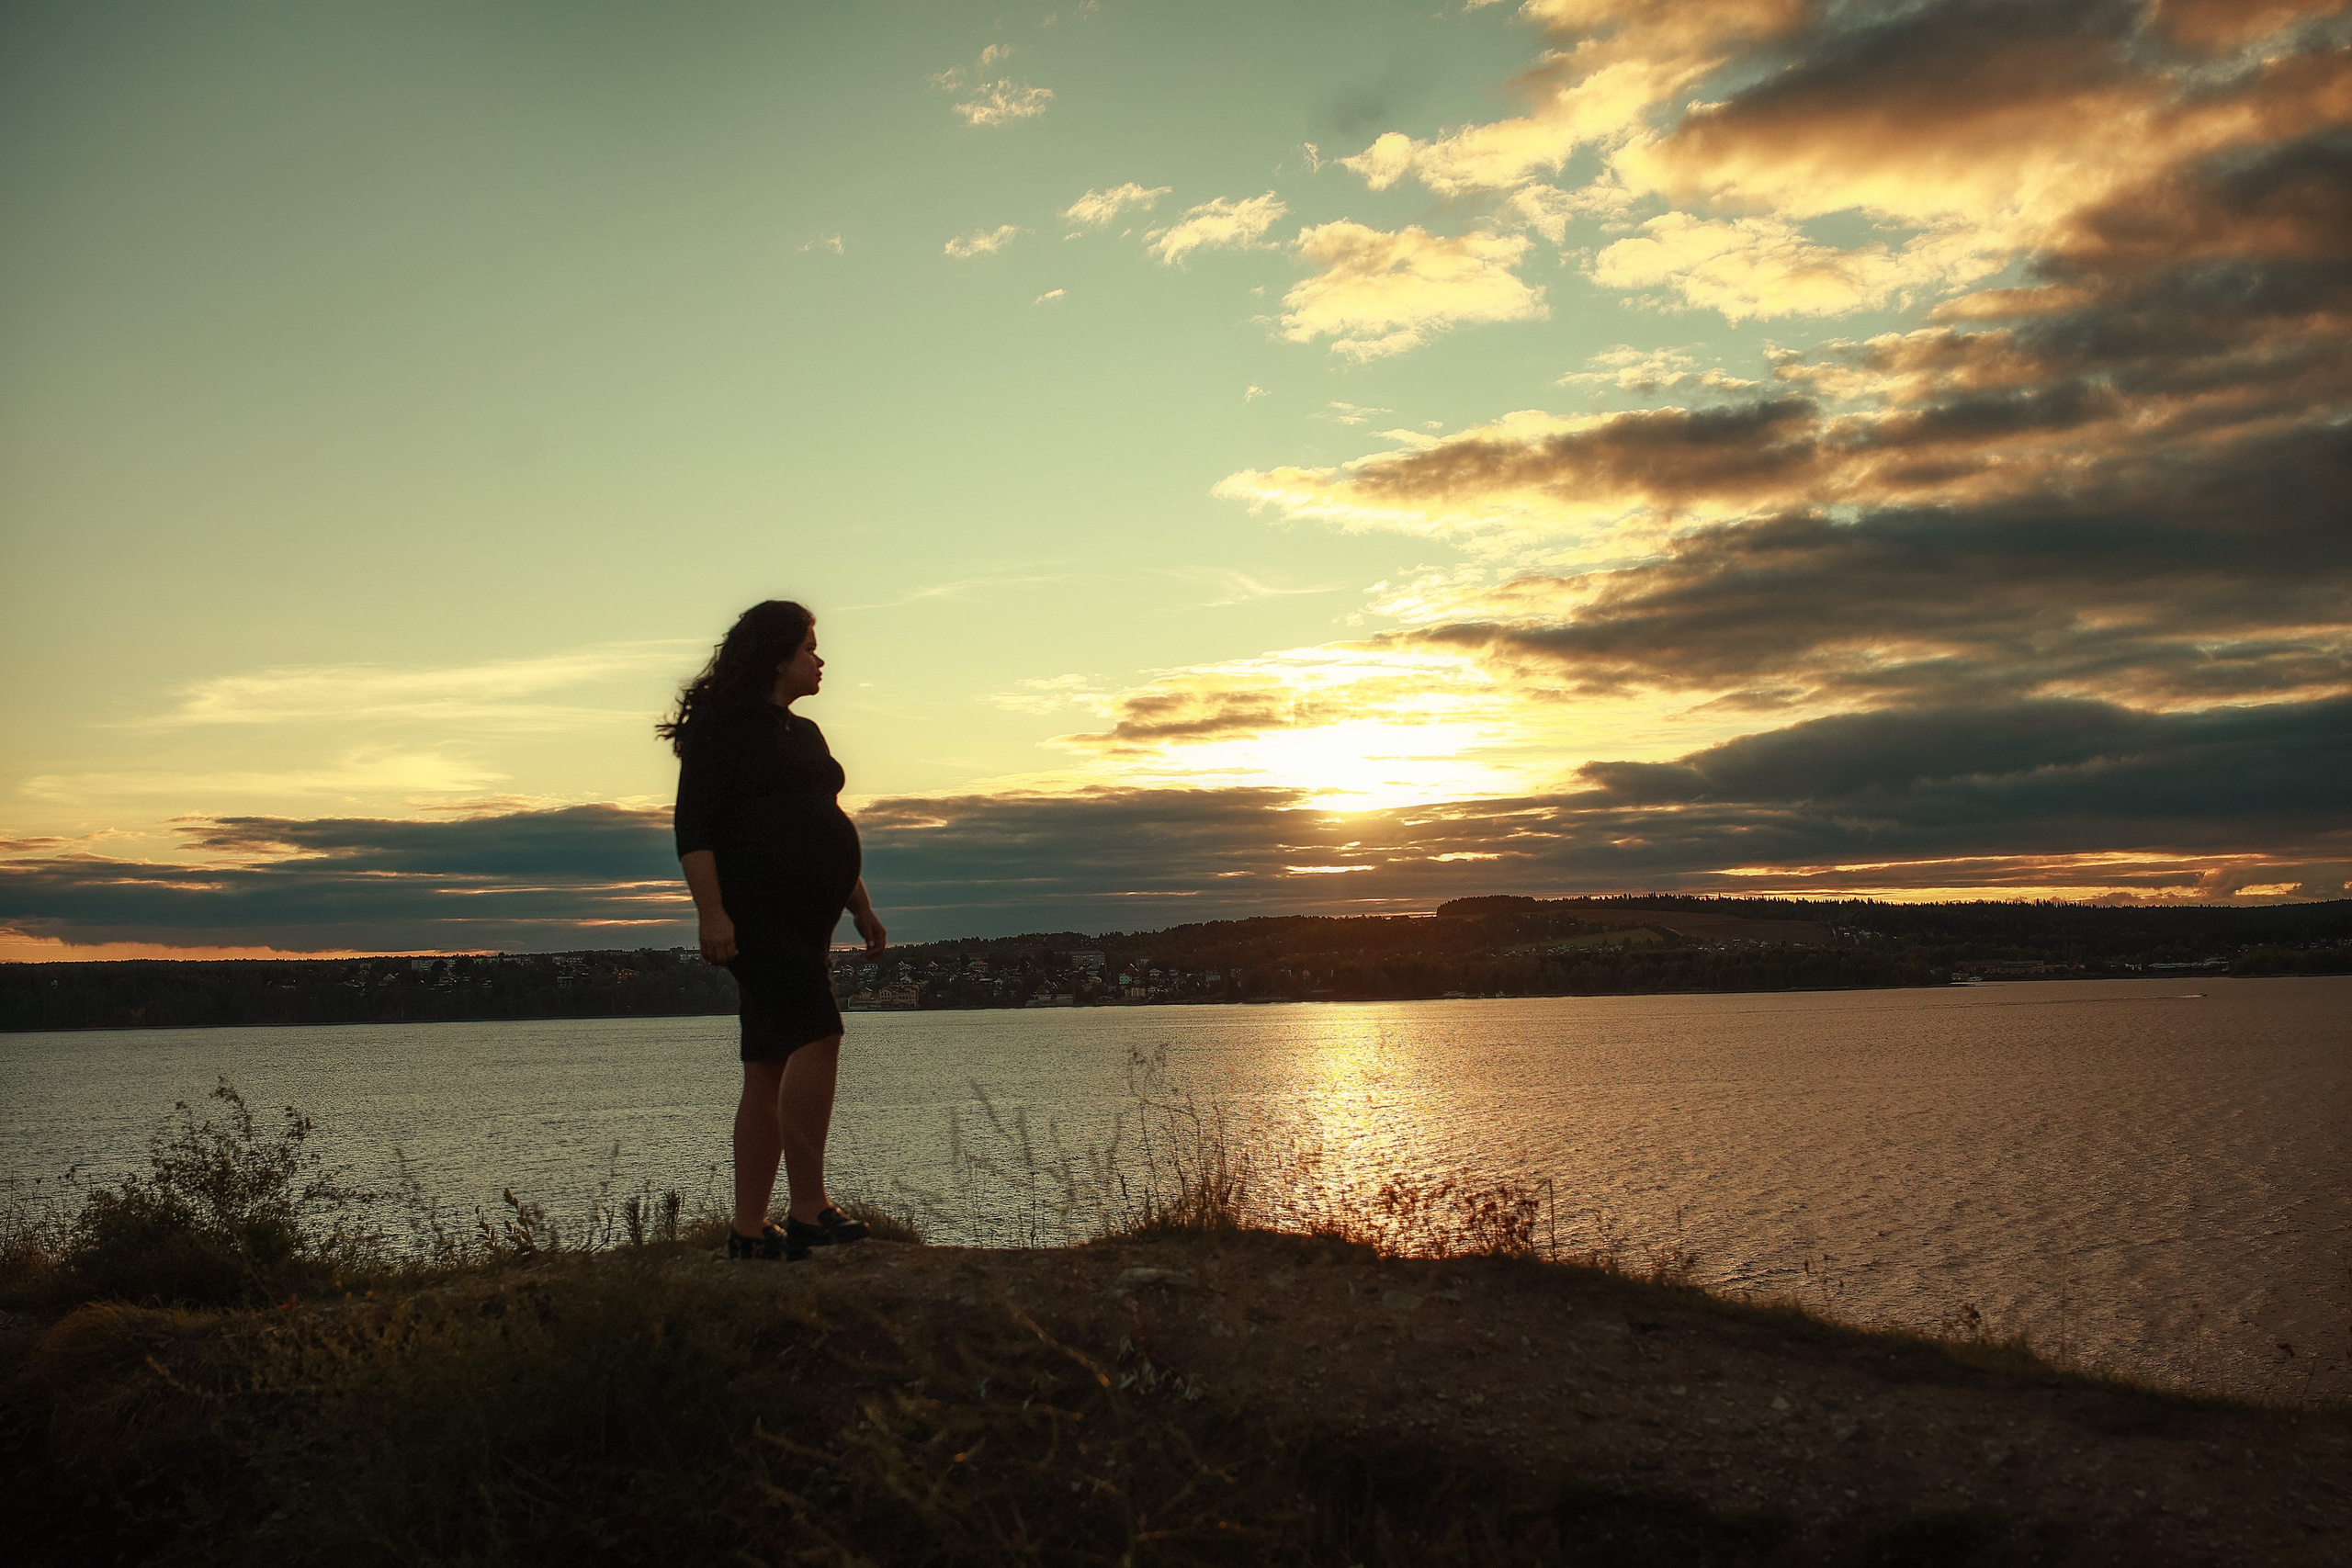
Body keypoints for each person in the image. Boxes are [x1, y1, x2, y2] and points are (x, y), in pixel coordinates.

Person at [661, 600, 887, 1262]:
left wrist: (860, 904)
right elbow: (694, 828)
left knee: (766, 1064)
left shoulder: (805, 733)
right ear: (776, 654)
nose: (821, 659)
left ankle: (750, 1228)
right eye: (810, 646)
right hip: (755, 918)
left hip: (807, 921)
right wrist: (712, 913)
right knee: (819, 1032)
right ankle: (810, 1207)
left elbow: (822, 819)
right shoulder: (721, 730)